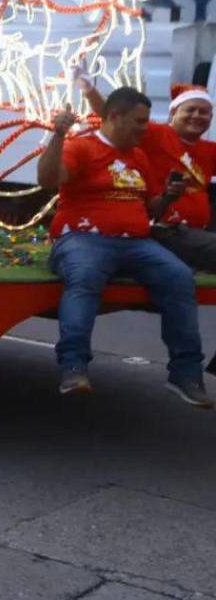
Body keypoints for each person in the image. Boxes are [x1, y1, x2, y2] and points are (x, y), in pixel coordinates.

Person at [37, 86, 212, 407]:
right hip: (82, 239)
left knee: (179, 278)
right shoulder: (81, 147)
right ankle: (73, 366)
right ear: (115, 117)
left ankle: (186, 375)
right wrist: (58, 135)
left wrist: (169, 196)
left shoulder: (138, 156)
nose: (145, 129)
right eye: (139, 122)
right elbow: (48, 180)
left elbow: (150, 209)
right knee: (86, 277)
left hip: (136, 242)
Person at [80, 77, 216, 268]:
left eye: (204, 112)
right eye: (190, 110)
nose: (196, 116)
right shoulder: (157, 134)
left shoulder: (209, 150)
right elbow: (109, 112)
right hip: (165, 229)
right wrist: (87, 87)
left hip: (197, 232)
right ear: (173, 114)